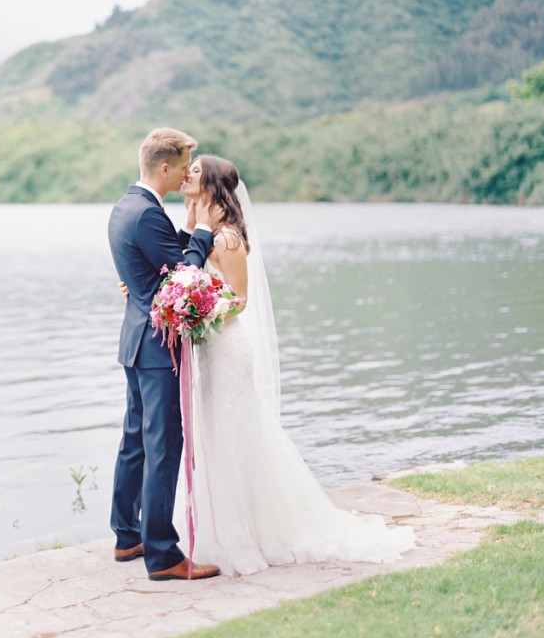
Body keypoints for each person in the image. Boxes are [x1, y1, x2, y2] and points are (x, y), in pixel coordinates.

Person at [176, 154, 416, 574]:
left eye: (194, 171)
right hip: (210, 352)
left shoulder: (227, 239)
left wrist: (200, 311)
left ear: (212, 184)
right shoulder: (199, 233)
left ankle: (248, 534)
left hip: (227, 348)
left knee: (234, 434)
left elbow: (240, 300)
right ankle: (220, 529)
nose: (185, 176)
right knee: (214, 435)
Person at [107, 128, 222, 581]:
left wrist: (189, 229)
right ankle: (162, 554)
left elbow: (152, 266)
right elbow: (182, 278)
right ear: (164, 167)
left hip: (134, 340)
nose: (184, 174)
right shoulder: (147, 214)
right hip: (157, 348)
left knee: (135, 440)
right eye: (182, 165)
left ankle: (126, 534)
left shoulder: (124, 207)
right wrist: (204, 233)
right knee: (162, 445)